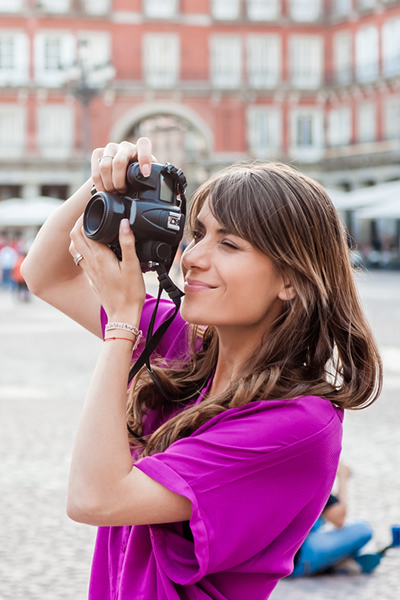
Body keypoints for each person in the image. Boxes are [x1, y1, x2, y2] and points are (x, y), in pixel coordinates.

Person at [21, 139, 382, 600]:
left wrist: (123, 327)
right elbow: (45, 274)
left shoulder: (299, 425)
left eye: (228, 243)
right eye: (198, 233)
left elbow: (95, 498)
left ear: (291, 280)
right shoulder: (186, 344)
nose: (192, 256)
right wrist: (103, 181)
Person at [291, 462, 376, 577]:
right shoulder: (306, 475)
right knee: (363, 528)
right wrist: (343, 476)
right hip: (296, 560)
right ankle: (339, 561)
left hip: (268, 560)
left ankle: (337, 560)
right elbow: (339, 518)